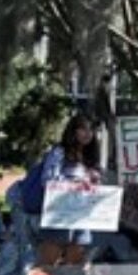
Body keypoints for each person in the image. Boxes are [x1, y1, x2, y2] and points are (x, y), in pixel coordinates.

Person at [33, 113, 103, 267]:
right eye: (83, 129)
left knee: (77, 254)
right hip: (59, 211)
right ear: (73, 131)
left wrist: (94, 180)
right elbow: (47, 180)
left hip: (82, 213)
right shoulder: (59, 152)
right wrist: (74, 184)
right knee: (50, 256)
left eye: (91, 130)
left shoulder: (91, 156)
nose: (88, 134)